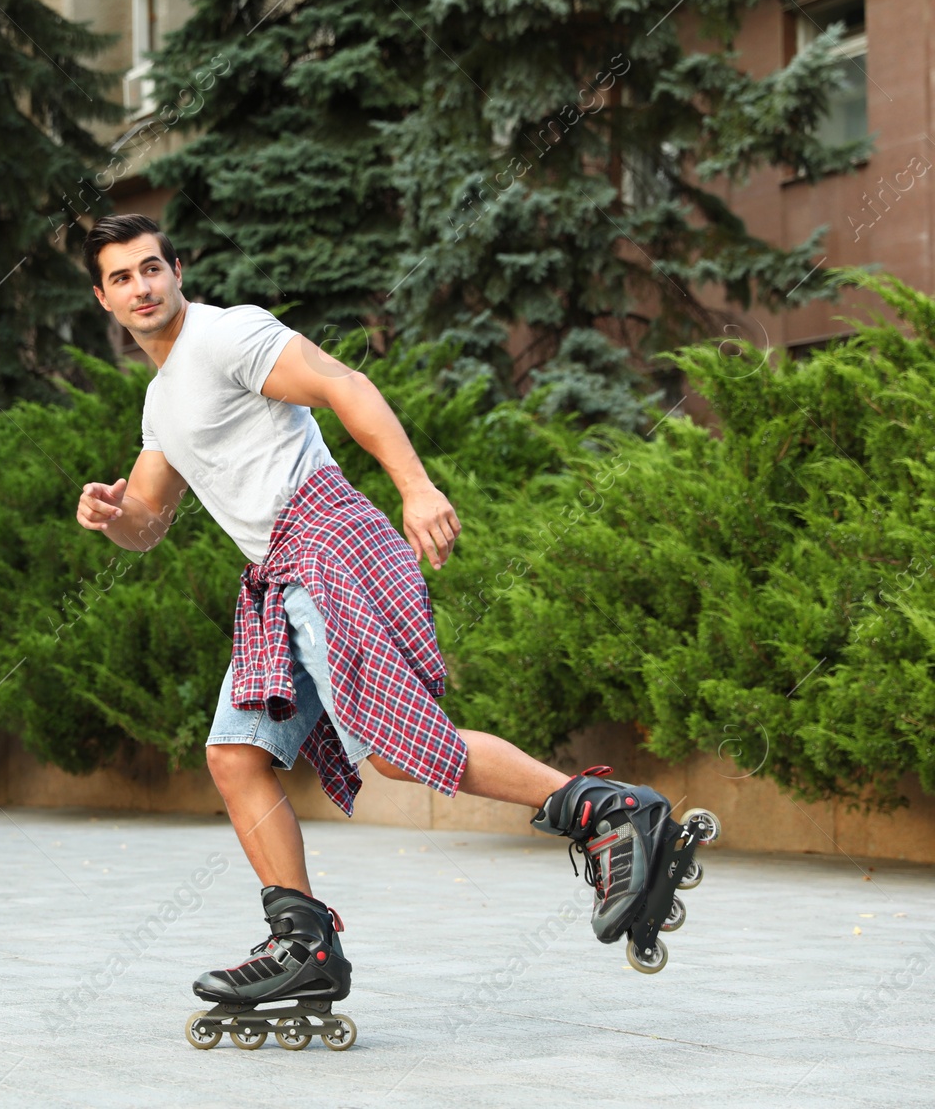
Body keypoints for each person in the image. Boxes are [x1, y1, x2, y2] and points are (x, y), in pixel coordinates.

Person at [73, 214, 715, 1014]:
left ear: (178, 271)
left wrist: (415, 485)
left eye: (151, 269)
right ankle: (302, 942)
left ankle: (609, 810)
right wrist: (112, 516)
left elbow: (344, 383)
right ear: (103, 297)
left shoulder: (227, 337)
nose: (141, 287)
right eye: (123, 278)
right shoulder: (162, 400)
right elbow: (148, 520)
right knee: (235, 755)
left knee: (396, 749)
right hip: (276, 576)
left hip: (323, 542)